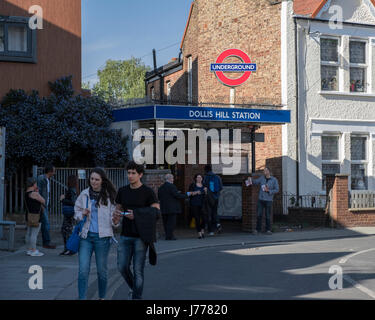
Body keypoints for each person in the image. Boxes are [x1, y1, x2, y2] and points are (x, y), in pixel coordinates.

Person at [113, 161, 160, 300]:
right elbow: (118, 208)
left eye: (133, 173)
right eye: (128, 173)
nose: (130, 176)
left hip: (141, 237)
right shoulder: (122, 191)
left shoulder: (148, 192)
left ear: (140, 175)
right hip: (125, 235)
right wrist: (115, 218)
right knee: (122, 267)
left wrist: (137, 214)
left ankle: (136, 297)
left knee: (138, 270)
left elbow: (156, 212)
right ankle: (135, 290)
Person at [74, 168, 118, 300]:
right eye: (92, 179)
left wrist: (116, 220)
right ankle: (82, 298)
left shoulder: (109, 196)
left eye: (97, 179)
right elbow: (76, 212)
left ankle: (102, 297)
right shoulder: (84, 194)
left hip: (102, 238)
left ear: (102, 181)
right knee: (83, 271)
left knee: (102, 272)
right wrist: (82, 214)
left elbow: (114, 220)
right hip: (85, 237)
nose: (93, 181)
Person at [246, 167, 279, 235]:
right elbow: (255, 182)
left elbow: (277, 190)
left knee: (267, 215)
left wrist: (269, 191)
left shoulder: (274, 180)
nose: (264, 172)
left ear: (269, 171)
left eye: (266, 170)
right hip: (261, 199)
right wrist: (250, 179)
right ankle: (258, 230)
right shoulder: (262, 178)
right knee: (259, 215)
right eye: (264, 171)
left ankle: (268, 230)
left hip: (269, 200)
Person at [158, 174, 187, 241]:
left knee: (165, 223)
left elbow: (160, 197)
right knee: (171, 223)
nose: (173, 180)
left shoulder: (161, 187)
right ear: (170, 179)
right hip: (172, 208)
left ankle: (168, 236)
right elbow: (177, 195)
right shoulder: (172, 186)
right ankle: (170, 236)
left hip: (164, 208)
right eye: (173, 178)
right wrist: (186, 195)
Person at [37, 164, 57, 249]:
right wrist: (41, 204)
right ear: (50, 171)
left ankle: (44, 242)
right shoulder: (42, 179)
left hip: (45, 204)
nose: (54, 172)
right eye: (54, 171)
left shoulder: (48, 179)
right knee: (46, 224)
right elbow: (38, 191)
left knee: (42, 224)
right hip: (42, 205)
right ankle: (46, 243)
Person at [25, 177, 45, 257]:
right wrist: (38, 193)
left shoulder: (27, 192)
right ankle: (33, 250)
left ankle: (29, 249)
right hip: (36, 215)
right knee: (34, 233)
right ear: (33, 184)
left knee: (29, 233)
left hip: (29, 214)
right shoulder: (34, 193)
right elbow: (43, 200)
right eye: (35, 183)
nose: (36, 184)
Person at [59, 175, 79, 256]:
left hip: (69, 213)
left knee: (66, 231)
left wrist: (63, 199)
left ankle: (70, 249)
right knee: (66, 231)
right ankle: (67, 249)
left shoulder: (71, 190)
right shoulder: (73, 189)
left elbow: (73, 202)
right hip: (70, 213)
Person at [203, 164, 223, 236]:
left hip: (208, 197)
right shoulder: (217, 177)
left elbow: (204, 187)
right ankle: (218, 224)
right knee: (215, 212)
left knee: (209, 213)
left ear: (205, 170)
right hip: (216, 197)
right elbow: (221, 187)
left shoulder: (205, 177)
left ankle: (211, 231)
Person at [188, 174, 206, 239]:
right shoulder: (192, 185)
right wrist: (195, 192)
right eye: (198, 177)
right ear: (195, 178)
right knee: (197, 219)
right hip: (194, 204)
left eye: (200, 177)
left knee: (204, 218)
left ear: (202, 178)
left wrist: (206, 191)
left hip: (203, 204)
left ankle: (202, 230)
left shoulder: (204, 186)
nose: (199, 178)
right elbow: (188, 193)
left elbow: (207, 194)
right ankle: (199, 233)